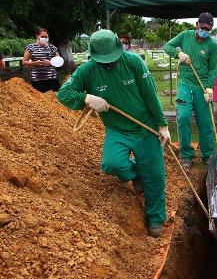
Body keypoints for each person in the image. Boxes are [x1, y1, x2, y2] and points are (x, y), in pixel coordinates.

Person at [57, 29, 170, 238]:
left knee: (155, 175)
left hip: (145, 127)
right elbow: (63, 94)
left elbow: (150, 94)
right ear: (93, 55)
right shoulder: (87, 70)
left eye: (111, 59)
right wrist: (86, 97)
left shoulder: (134, 62)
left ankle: (155, 217)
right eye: (103, 61)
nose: (108, 64)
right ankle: (137, 175)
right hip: (117, 129)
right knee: (112, 163)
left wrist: (162, 125)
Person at [163, 12, 217, 168]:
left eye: (208, 30)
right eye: (202, 28)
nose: (204, 32)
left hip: (202, 86)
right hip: (185, 83)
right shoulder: (184, 35)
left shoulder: (212, 45)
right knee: (183, 117)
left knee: (206, 121)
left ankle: (207, 155)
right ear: (196, 25)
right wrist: (178, 53)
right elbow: (167, 46)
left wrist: (209, 88)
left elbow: (213, 69)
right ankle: (186, 155)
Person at [22, 27, 61, 92]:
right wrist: (35, 63)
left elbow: (59, 61)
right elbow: (24, 62)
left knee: (55, 100)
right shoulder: (30, 47)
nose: (44, 38)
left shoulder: (52, 47)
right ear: (37, 36)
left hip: (52, 80)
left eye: (46, 37)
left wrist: (50, 63)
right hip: (37, 81)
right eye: (42, 36)